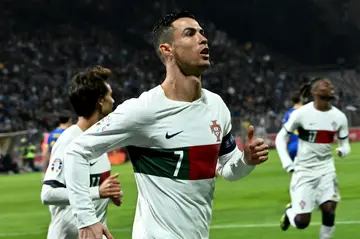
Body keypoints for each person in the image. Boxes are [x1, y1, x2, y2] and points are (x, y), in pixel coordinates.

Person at [64, 11, 269, 239]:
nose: (203, 38)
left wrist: (246, 160)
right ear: (167, 49)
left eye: (202, 32)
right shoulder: (143, 110)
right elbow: (76, 152)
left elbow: (228, 169)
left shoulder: (216, 106)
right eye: (190, 34)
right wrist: (86, 219)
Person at [41, 66, 122, 239]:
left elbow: (91, 185)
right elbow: (47, 194)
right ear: (100, 100)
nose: (113, 100)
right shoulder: (68, 141)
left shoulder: (98, 137)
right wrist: (98, 192)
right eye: (110, 95)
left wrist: (108, 195)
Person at [275, 77, 351, 239]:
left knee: (329, 208)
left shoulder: (339, 117)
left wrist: (343, 151)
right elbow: (280, 138)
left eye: (331, 84)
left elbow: (345, 144)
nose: (329, 85)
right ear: (315, 91)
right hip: (304, 170)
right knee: (302, 222)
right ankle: (290, 213)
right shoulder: (301, 114)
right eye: (325, 84)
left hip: (326, 169)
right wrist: (287, 163)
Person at [42, 110, 73, 178]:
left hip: (54, 169)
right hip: (67, 169)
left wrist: (44, 172)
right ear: (70, 120)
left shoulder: (50, 135)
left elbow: (45, 154)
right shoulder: (69, 134)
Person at [281, 91, 303, 164]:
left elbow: (285, 133)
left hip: (292, 147)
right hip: (306, 147)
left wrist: (285, 147)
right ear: (301, 99)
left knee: (295, 171)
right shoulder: (306, 111)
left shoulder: (288, 114)